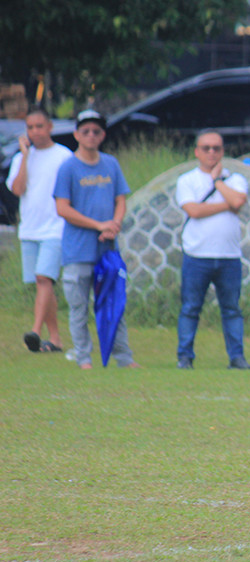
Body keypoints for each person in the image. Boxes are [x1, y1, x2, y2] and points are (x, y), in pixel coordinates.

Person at [53, 110, 137, 370]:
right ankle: (83, 356)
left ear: (103, 135)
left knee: (114, 304)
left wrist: (114, 225)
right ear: (77, 134)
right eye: (86, 131)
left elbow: (120, 199)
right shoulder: (68, 167)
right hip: (78, 250)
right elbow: (63, 208)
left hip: (107, 248)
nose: (91, 135)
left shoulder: (110, 164)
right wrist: (98, 224)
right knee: (79, 308)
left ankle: (123, 357)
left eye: (96, 131)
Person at [174, 130, 250, 370]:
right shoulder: (186, 180)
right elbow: (194, 211)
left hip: (229, 257)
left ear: (223, 151)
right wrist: (225, 205)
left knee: (231, 309)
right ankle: (185, 357)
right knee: (190, 308)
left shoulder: (235, 179)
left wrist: (218, 182)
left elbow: (238, 202)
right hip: (197, 255)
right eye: (206, 148)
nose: (211, 153)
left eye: (216, 148)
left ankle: (236, 357)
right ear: (197, 151)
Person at [5, 107, 72, 354]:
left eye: (39, 127)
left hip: (55, 227)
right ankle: (55, 339)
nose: (35, 132)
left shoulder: (63, 156)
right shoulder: (21, 158)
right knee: (42, 283)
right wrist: (24, 156)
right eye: (30, 127)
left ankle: (35, 331)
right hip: (30, 229)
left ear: (50, 127)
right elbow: (18, 189)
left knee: (45, 278)